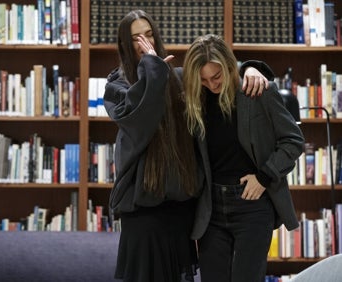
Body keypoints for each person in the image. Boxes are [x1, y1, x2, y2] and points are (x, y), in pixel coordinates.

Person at [103, 10, 272, 282]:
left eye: (148, 34)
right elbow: (141, 119)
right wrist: (152, 68)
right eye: (136, 38)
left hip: (182, 208)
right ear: (124, 44)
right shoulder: (116, 88)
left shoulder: (178, 78)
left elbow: (218, 74)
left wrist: (252, 68)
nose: (145, 42)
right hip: (144, 210)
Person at [182, 34, 305, 282]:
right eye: (203, 80)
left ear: (229, 66)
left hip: (253, 204)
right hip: (211, 209)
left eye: (216, 77)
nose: (212, 85)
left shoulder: (258, 91)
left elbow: (293, 141)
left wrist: (264, 176)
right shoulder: (197, 98)